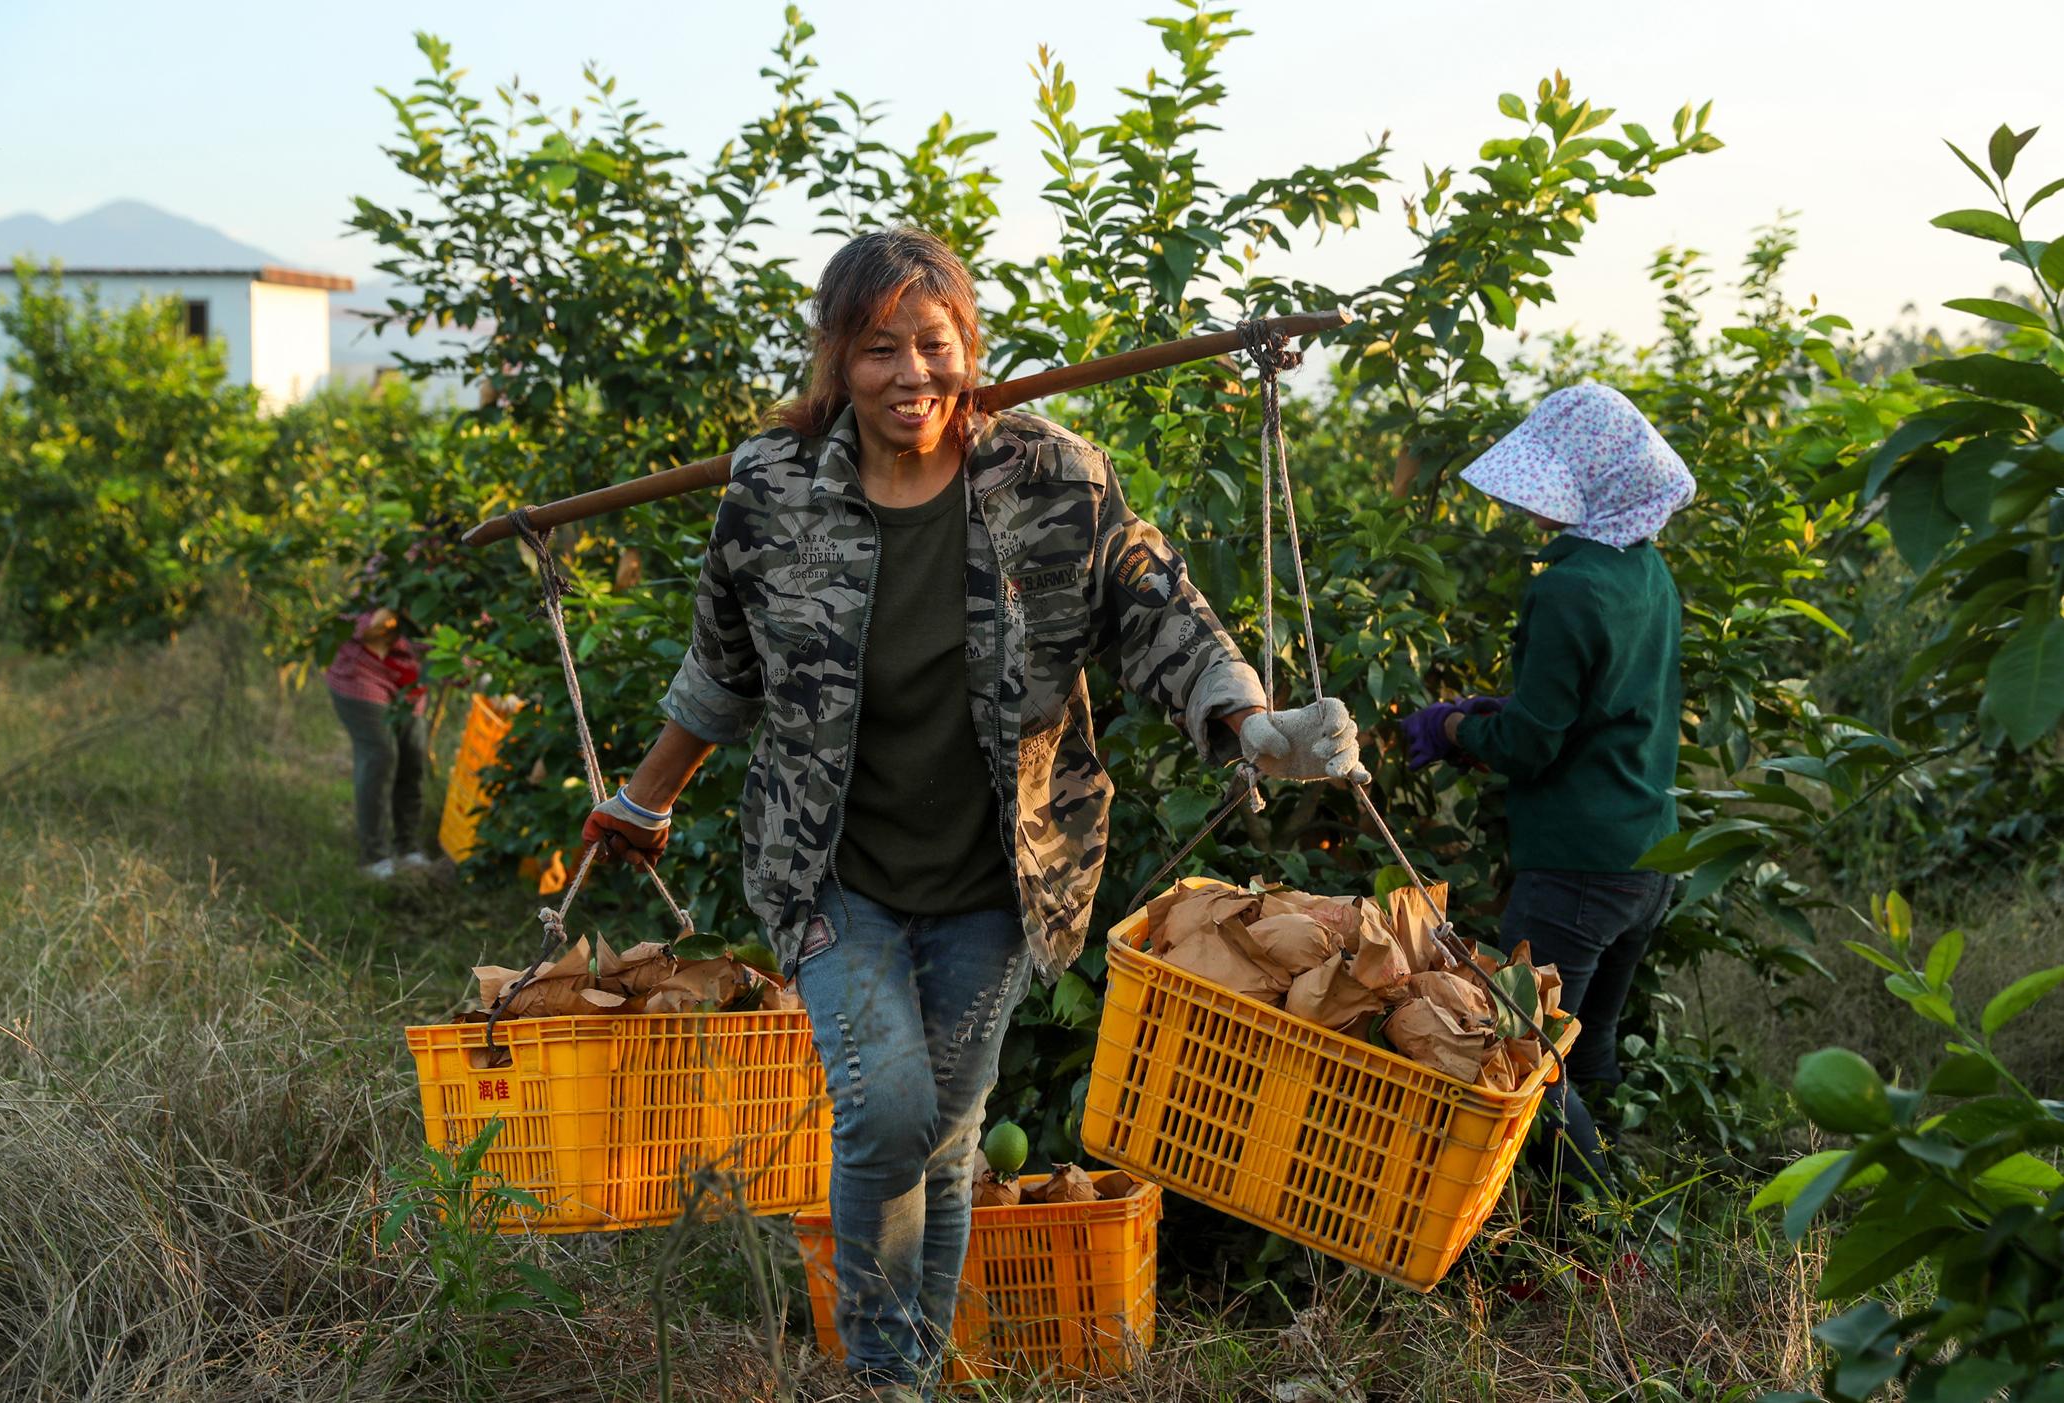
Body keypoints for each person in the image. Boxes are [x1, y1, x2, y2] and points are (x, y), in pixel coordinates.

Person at [581, 227, 1367, 1399]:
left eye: (933, 343)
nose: (911, 374)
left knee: (948, 1140)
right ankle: (884, 1376)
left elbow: (1160, 609)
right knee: (889, 1111)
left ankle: (900, 1378)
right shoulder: (772, 490)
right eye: (878, 347)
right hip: (830, 871)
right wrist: (644, 797)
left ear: (968, 347)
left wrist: (1250, 721)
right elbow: (722, 670)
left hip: (1006, 879)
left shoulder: (1052, 478)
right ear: (837, 360)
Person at [1402, 382, 1696, 1200]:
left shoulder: (1565, 588)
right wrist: (1501, 710)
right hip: (1649, 859)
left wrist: (1458, 731)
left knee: (1525, 1055)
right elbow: (1606, 704)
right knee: (1588, 1047)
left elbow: (1534, 744)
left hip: (1575, 867)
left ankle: (1607, 1231)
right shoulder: (1647, 573)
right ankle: (1630, 1200)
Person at [324, 605, 433, 879]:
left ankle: (407, 847)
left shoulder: (459, 576)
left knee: (413, 757)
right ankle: (374, 856)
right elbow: (361, 625)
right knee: (381, 755)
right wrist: (392, 616)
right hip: (362, 673)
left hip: (409, 682)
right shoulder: (386, 569)